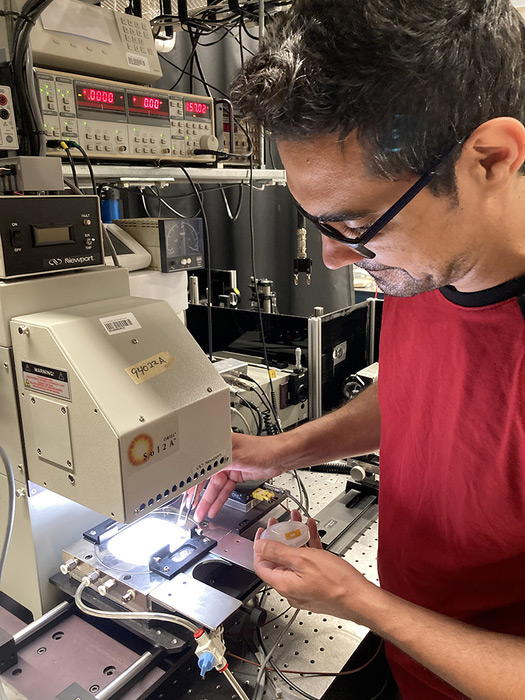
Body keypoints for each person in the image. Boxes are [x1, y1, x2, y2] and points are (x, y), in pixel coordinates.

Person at [194, 2, 525, 698]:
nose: (334, 257)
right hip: (410, 646)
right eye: (315, 221)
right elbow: (422, 393)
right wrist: (275, 451)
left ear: (489, 158)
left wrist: (359, 603)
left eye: (354, 223)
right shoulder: (430, 263)